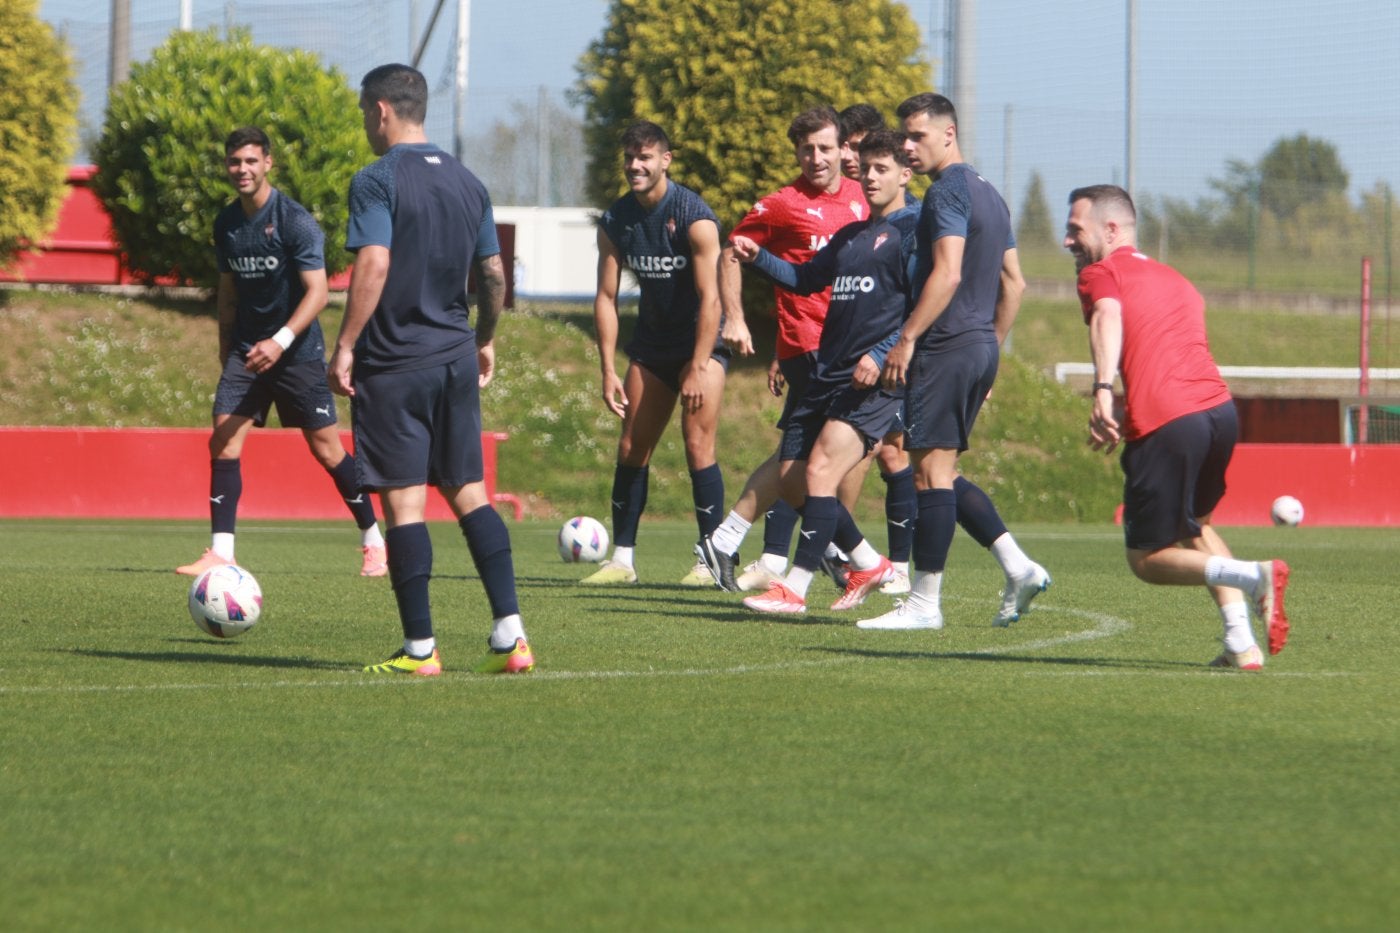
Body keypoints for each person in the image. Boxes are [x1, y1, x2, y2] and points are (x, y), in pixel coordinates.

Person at [329, 64, 532, 676]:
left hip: (395, 361)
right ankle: (511, 636)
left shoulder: (376, 178)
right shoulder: (470, 182)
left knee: (405, 507)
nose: (367, 122)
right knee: (471, 493)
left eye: (367, 111)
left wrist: (345, 345)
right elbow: (494, 275)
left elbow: (374, 262)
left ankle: (419, 650)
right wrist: (485, 339)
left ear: (383, 110)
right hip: (452, 358)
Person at [1064, 184, 1290, 669]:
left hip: (1168, 418)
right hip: (1219, 413)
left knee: (1147, 559)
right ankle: (1240, 643)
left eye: (1074, 230)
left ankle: (1256, 575)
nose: (1067, 241)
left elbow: (1107, 315)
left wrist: (1103, 389)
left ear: (1110, 229)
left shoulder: (1102, 273)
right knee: (1197, 527)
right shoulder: (1175, 278)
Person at [856, 93, 1050, 631]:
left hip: (944, 345)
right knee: (940, 470)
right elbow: (1015, 283)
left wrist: (907, 338)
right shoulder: (989, 193)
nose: (907, 146)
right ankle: (1018, 566)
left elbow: (947, 274)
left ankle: (924, 604)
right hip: (977, 347)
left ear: (949, 133)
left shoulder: (946, 192)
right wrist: (989, 347)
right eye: (905, 136)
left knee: (928, 476)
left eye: (916, 136)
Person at [719, 130, 919, 615]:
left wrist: (886, 350)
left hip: (872, 379)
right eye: (865, 168)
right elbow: (806, 279)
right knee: (791, 479)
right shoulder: (852, 235)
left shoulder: (915, 231)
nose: (869, 177)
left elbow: (924, 305)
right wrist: (759, 257)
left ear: (905, 175)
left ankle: (796, 586)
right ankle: (868, 562)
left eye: (882, 169)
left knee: (821, 468)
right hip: (827, 374)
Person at [176, 126, 386, 579]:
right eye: (235, 162)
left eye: (251, 161)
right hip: (247, 351)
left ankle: (373, 538)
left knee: (327, 450)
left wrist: (281, 340)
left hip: (296, 352)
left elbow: (318, 292)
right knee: (224, 438)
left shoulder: (294, 220)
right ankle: (222, 552)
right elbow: (228, 290)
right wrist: (225, 347)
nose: (242, 169)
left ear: (268, 162)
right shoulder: (227, 223)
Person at [704, 106, 871, 593]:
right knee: (816, 459)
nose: (815, 158)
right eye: (806, 149)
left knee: (801, 460)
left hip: (849, 349)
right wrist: (734, 317)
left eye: (824, 147)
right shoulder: (782, 203)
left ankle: (729, 539)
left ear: (843, 148)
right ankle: (847, 556)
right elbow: (731, 250)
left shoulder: (866, 200)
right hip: (809, 348)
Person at [581, 121, 729, 586]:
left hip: (700, 345)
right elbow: (606, 298)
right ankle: (621, 561)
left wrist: (699, 364)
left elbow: (712, 298)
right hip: (650, 347)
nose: (635, 166)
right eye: (629, 158)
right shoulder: (617, 219)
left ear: (666, 160)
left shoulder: (693, 215)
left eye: (644, 157)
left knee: (697, 445)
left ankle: (711, 561)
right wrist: (608, 369)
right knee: (631, 447)